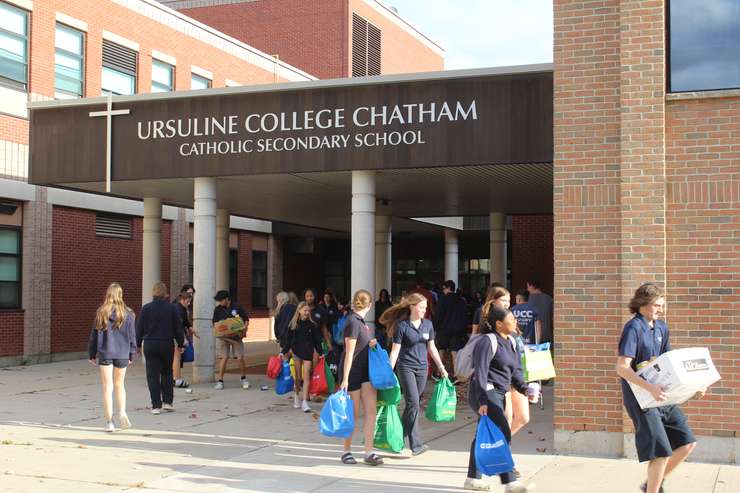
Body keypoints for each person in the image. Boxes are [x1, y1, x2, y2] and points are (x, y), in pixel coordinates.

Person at [616, 283, 701, 493]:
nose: (660, 309)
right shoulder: (633, 328)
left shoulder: (661, 327)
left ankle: (649, 485)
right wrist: (649, 388)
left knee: (687, 444)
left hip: (663, 397)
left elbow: (670, 363)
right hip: (642, 400)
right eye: (656, 305)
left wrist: (694, 385)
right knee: (660, 453)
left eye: (661, 305)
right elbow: (622, 368)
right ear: (642, 304)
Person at [465, 305, 535, 492]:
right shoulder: (487, 342)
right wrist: (482, 401)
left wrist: (525, 389)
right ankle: (509, 481)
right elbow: (480, 372)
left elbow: (515, 372)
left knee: (482, 435)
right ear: (498, 323)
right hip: (483, 392)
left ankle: (472, 478)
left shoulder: (511, 341)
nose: (515, 322)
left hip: (499, 393)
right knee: (503, 430)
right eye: (511, 319)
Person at [383, 293, 447, 456]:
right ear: (412, 306)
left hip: (422, 368)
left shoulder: (428, 325)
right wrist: (388, 372)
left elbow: (431, 347)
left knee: (414, 405)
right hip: (406, 368)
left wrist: (441, 366)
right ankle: (415, 444)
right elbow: (395, 351)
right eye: (421, 307)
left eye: (426, 308)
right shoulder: (402, 326)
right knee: (413, 404)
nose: (424, 310)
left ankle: (397, 436)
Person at [338, 289, 383, 466]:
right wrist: (345, 379)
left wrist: (370, 343)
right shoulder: (352, 322)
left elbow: (359, 346)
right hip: (353, 372)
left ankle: (369, 451)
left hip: (367, 372)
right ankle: (346, 451)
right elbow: (349, 353)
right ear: (370, 305)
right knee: (353, 414)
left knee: (371, 412)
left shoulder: (361, 322)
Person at [88, 283, 137, 432]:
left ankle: (110, 422)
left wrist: (92, 353)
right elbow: (132, 336)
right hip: (122, 353)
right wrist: (132, 353)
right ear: (120, 295)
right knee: (119, 385)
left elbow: (94, 335)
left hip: (105, 352)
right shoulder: (128, 314)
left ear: (108, 294)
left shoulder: (101, 312)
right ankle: (122, 411)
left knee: (107, 387)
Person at [136, 282, 185, 414]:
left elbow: (139, 328)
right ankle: (168, 402)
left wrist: (137, 344)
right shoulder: (172, 308)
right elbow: (178, 328)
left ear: (153, 293)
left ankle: (156, 405)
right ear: (165, 293)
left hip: (150, 344)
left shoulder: (146, 308)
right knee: (167, 372)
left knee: (152, 375)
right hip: (166, 343)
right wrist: (180, 344)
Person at [280, 301, 324, 412]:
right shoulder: (293, 325)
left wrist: (320, 351)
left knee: (307, 376)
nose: (307, 312)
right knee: (298, 378)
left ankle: (304, 401)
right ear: (299, 311)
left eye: (308, 310)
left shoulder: (312, 325)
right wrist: (283, 351)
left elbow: (316, 340)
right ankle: (296, 395)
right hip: (296, 352)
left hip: (308, 353)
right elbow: (288, 341)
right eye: (305, 310)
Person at [212, 290, 250, 390]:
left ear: (227, 299)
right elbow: (215, 324)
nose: (220, 303)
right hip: (224, 337)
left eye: (221, 300)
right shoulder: (217, 309)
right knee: (223, 358)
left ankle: (243, 378)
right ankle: (220, 381)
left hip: (236, 338)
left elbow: (246, 320)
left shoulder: (237, 307)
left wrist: (244, 329)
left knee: (240, 357)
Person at [434, 280, 469, 382]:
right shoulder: (461, 300)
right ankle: (456, 374)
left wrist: (435, 327)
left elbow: (438, 315)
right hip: (457, 330)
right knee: (455, 352)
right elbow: (464, 316)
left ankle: (439, 373)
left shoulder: (443, 300)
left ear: (448, 288)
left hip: (443, 329)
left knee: (441, 351)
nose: (443, 291)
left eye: (444, 288)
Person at [172, 291, 194, 388]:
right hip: (175, 336)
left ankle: (175, 378)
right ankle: (177, 378)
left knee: (176, 358)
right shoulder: (178, 309)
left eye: (190, 302)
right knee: (177, 358)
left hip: (176, 335)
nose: (189, 304)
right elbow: (179, 326)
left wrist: (191, 328)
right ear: (182, 300)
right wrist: (183, 339)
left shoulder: (182, 309)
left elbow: (185, 322)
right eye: (187, 302)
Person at [304, 288, 332, 354]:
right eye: (307, 296)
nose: (309, 298)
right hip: (304, 341)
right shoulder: (301, 309)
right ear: (304, 297)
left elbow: (324, 327)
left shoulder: (320, 309)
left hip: (317, 341)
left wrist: (328, 342)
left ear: (314, 297)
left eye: (311, 296)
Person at [526, 279, 553, 344]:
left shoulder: (529, 299)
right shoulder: (549, 298)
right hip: (546, 334)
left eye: (527, 286)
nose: (527, 289)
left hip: (533, 334)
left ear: (531, 286)